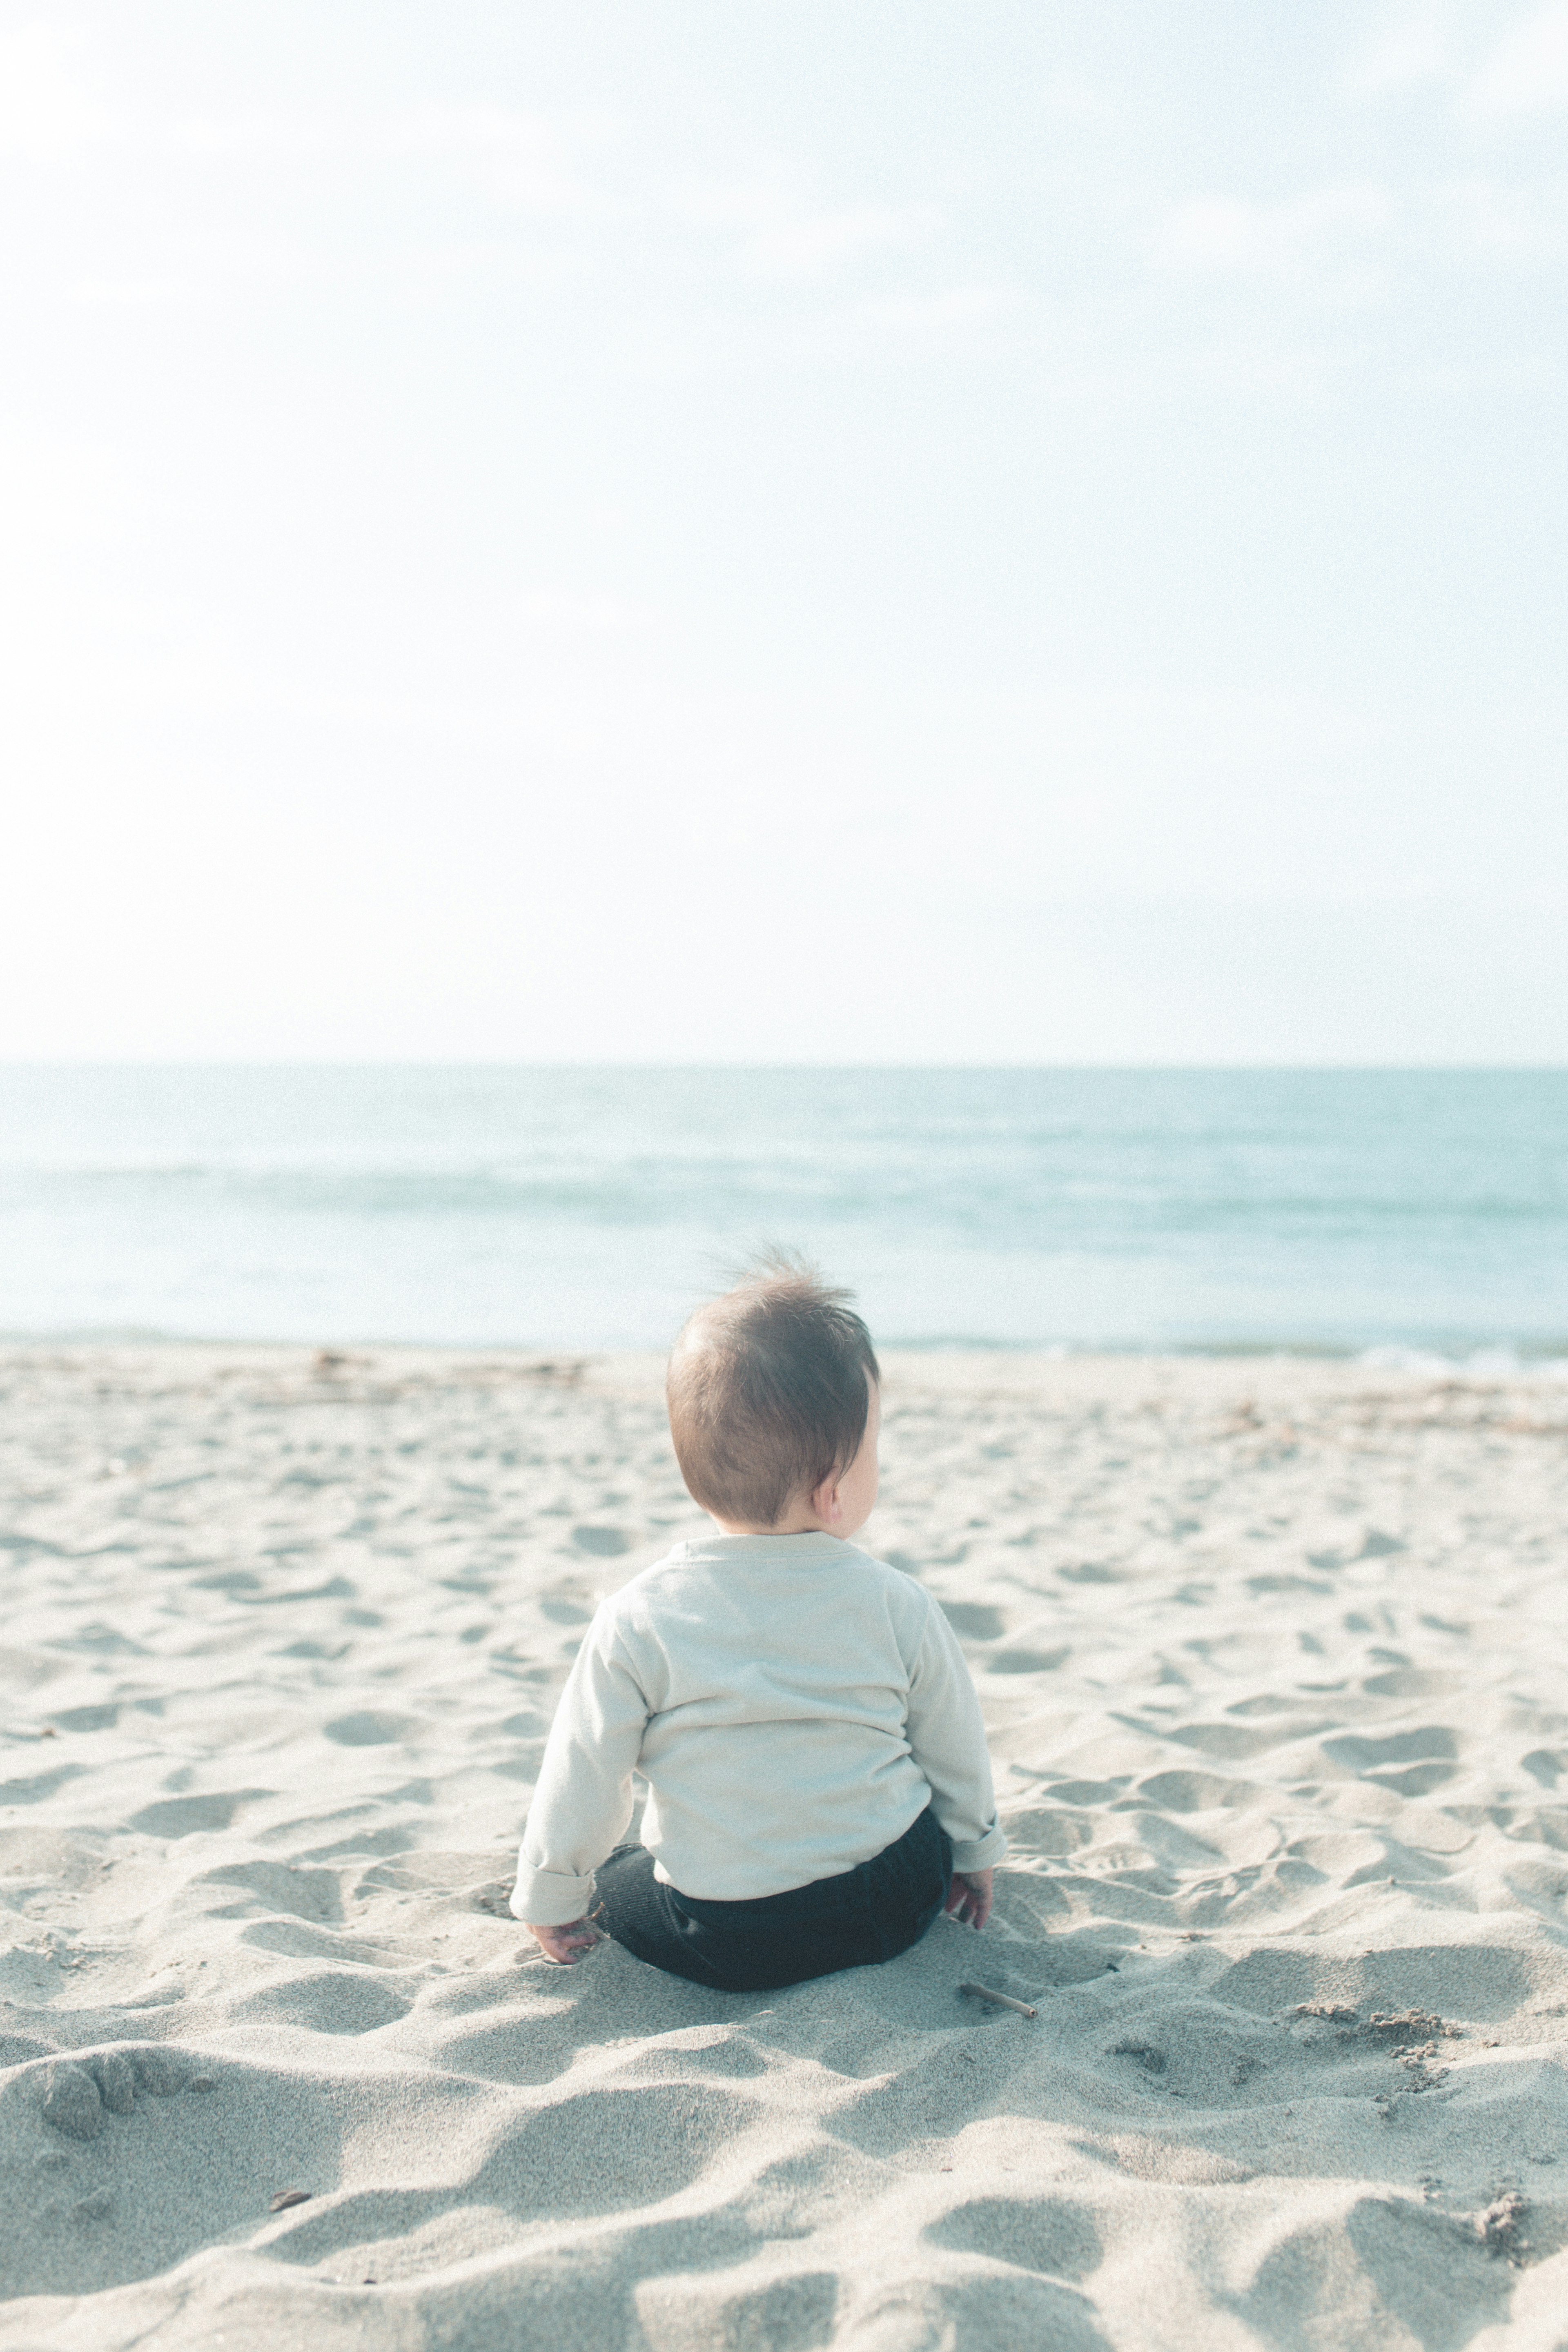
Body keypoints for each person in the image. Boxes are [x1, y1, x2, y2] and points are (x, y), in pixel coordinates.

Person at [509, 1254, 1007, 1992]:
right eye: (874, 1450)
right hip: (887, 1907)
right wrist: (974, 1854)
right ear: (834, 1490)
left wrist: (552, 1897)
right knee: (924, 1826)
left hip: (727, 1937)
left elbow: (585, 1772)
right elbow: (952, 1749)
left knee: (622, 1877)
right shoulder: (898, 1603)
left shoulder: (637, 1618)